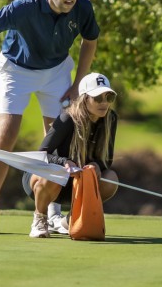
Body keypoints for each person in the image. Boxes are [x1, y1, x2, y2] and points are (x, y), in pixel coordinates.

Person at [0, 0, 99, 234]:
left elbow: (90, 41)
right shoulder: (25, 6)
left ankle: (52, 213)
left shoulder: (83, 7)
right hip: (16, 70)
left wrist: (77, 84)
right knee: (6, 133)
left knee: (58, 138)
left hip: (56, 71)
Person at [23, 71, 120, 238]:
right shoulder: (67, 119)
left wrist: (97, 165)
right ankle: (40, 219)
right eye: (98, 98)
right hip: (45, 180)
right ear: (85, 98)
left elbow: (107, 159)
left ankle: (69, 220)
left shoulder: (110, 119)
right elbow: (41, 154)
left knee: (111, 178)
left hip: (76, 183)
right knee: (54, 174)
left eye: (108, 97)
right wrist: (64, 162)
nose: (104, 103)